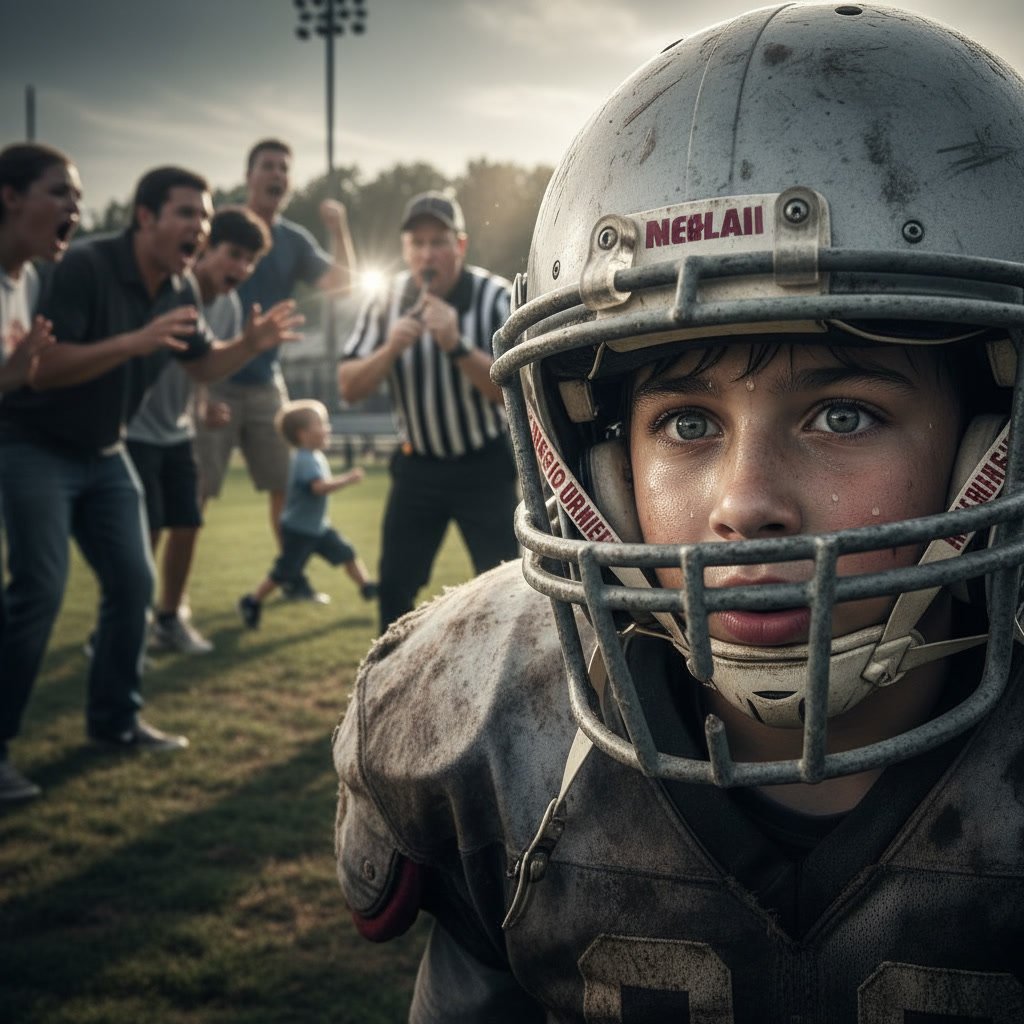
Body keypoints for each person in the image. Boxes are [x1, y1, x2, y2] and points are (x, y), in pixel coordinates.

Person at [332, 6, 1024, 1020]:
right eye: (688, 422)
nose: (746, 504)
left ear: (992, 445)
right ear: (596, 469)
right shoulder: (482, 725)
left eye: (843, 414)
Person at [0, 165, 301, 803]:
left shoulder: (176, 296)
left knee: (135, 584)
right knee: (40, 590)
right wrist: (134, 342)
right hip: (34, 447)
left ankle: (114, 722)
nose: (199, 225)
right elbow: (41, 369)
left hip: (104, 455)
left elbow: (204, 365)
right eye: (186, 213)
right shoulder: (84, 267)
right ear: (145, 217)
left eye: (204, 213)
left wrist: (247, 344)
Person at [338, 190, 518, 632]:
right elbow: (349, 388)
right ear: (405, 251)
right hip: (418, 467)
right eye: (416, 245)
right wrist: (391, 348)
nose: (426, 254)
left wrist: (456, 346)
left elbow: (514, 394)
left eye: (438, 242)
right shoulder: (386, 300)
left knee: (510, 586)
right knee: (395, 586)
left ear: (460, 245)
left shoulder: (494, 296)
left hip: (484, 465)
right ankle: (387, 687)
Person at [195, 138, 357, 602]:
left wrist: (338, 228)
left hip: (266, 380)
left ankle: (291, 577)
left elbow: (343, 287)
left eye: (284, 168)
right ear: (249, 176)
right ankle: (170, 606)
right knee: (195, 492)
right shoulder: (220, 226)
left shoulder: (293, 240)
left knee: (287, 490)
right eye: (267, 166)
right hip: (214, 373)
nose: (277, 174)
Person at [125, 205, 272, 655]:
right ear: (204, 247)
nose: (241, 268)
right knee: (144, 533)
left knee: (187, 524)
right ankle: (126, 628)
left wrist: (204, 406)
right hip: (135, 431)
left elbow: (200, 368)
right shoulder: (168, 290)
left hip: (177, 431)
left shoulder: (227, 307)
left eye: (249, 260)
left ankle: (169, 620)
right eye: (232, 254)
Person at [237, 399, 376, 629]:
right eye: (321, 424)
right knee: (284, 572)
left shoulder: (315, 456)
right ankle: (252, 601)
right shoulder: (304, 459)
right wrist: (348, 479)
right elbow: (318, 488)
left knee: (347, 553)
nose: (327, 428)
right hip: (299, 530)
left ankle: (366, 586)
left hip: (318, 527)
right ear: (303, 435)